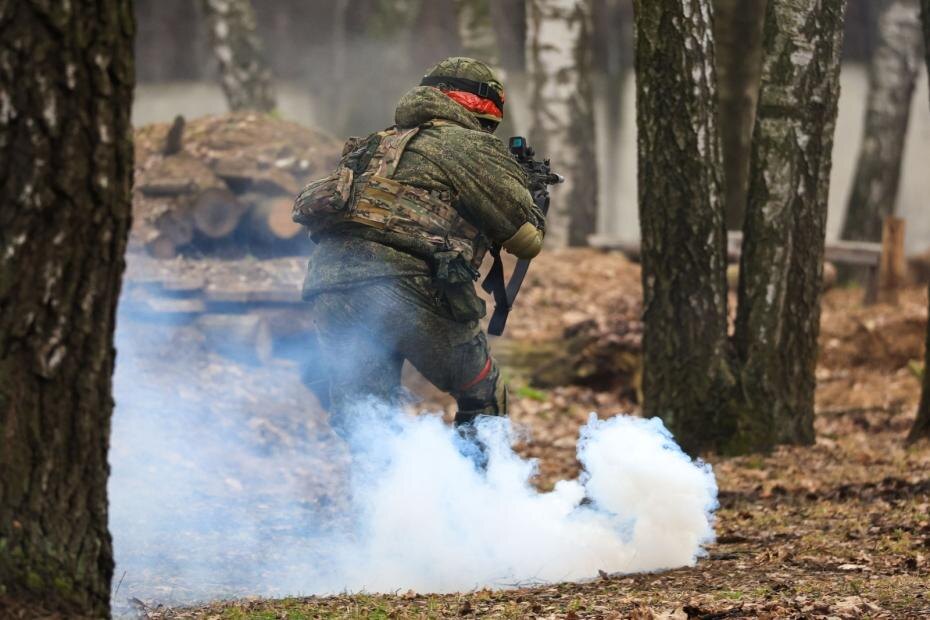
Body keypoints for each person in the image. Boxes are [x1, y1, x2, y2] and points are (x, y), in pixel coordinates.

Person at [298, 56, 545, 441]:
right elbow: (526, 240)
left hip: (329, 284)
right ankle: (483, 493)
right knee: (482, 392)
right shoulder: (468, 144)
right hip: (405, 285)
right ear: (480, 112)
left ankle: (386, 501)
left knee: (369, 419)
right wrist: (534, 199)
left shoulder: (374, 144)